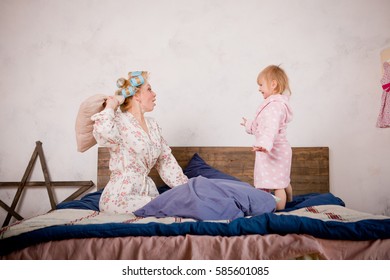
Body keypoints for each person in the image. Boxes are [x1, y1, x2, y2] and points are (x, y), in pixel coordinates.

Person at [91, 71, 188, 214]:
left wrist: (188, 191)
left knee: (177, 205)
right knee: (167, 207)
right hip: (120, 197)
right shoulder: (117, 120)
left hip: (148, 194)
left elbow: (167, 163)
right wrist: (111, 106)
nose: (154, 94)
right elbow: (103, 134)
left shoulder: (153, 125)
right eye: (149, 89)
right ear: (136, 95)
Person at [241, 65, 293, 210]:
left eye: (261, 85)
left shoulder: (275, 106)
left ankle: (279, 210)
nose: (259, 88)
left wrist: (264, 144)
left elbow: (270, 128)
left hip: (273, 150)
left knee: (276, 184)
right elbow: (261, 127)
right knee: (280, 179)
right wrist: (249, 125)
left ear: (273, 84)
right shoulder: (273, 105)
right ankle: (290, 199)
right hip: (275, 149)